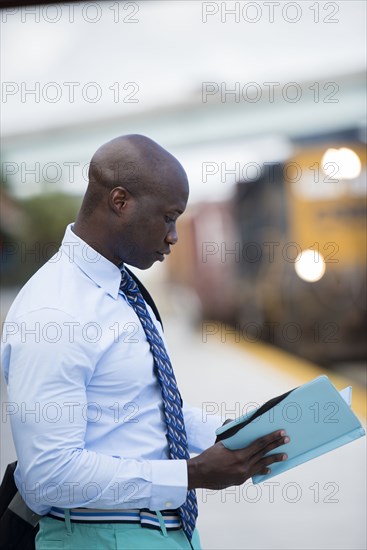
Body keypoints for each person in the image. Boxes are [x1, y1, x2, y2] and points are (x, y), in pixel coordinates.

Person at [1, 135, 289, 550]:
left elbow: (144, 406)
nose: (173, 236)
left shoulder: (121, 291)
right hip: (99, 536)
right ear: (120, 201)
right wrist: (191, 475)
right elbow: (49, 475)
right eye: (168, 217)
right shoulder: (55, 310)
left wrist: (236, 434)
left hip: (158, 532)